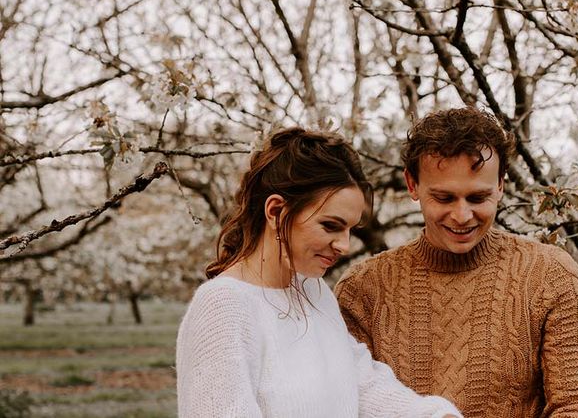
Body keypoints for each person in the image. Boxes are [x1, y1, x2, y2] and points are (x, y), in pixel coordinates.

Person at [335, 107, 578, 418]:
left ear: (501, 184)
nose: (462, 216)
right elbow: (350, 405)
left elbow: (577, 407)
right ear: (412, 185)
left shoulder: (551, 275)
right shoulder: (363, 290)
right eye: (444, 198)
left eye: (478, 198)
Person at [176, 127, 462, 418]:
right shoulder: (223, 307)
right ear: (276, 212)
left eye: (350, 229)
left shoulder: (314, 291)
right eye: (331, 226)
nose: (345, 245)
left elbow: (362, 385)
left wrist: (434, 416)